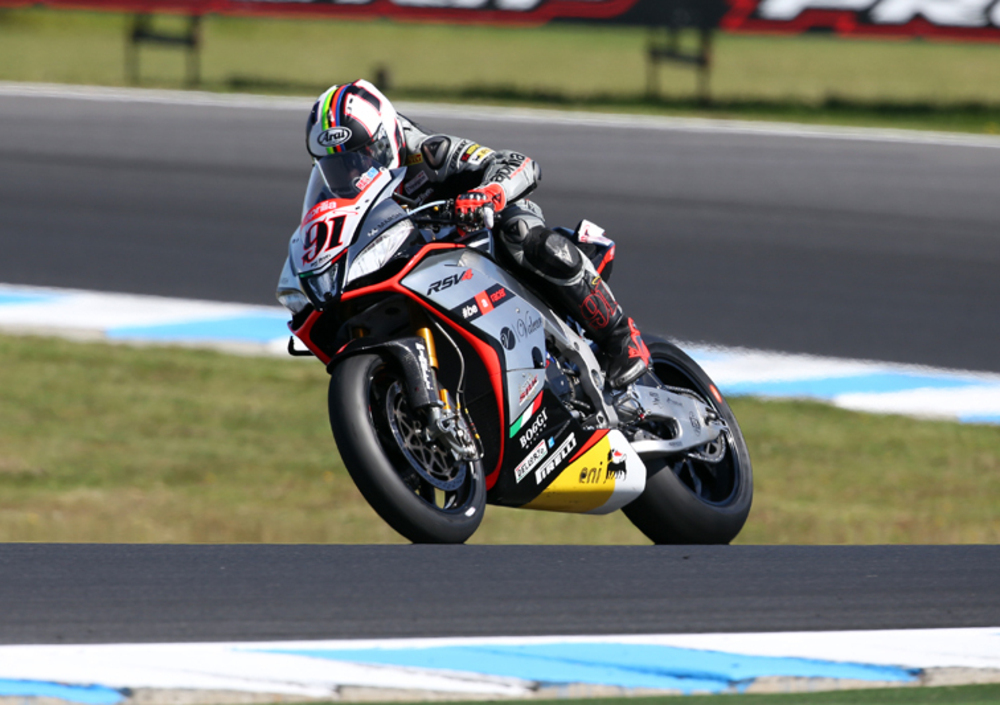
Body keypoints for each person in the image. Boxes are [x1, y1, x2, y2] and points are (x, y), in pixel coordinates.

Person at [302, 79, 649, 389]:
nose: (351, 171)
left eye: (359, 158)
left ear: (385, 140)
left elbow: (518, 162)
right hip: (420, 269)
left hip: (481, 237)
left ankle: (621, 336)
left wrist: (489, 193)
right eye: (336, 165)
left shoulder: (429, 152)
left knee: (519, 232)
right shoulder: (340, 196)